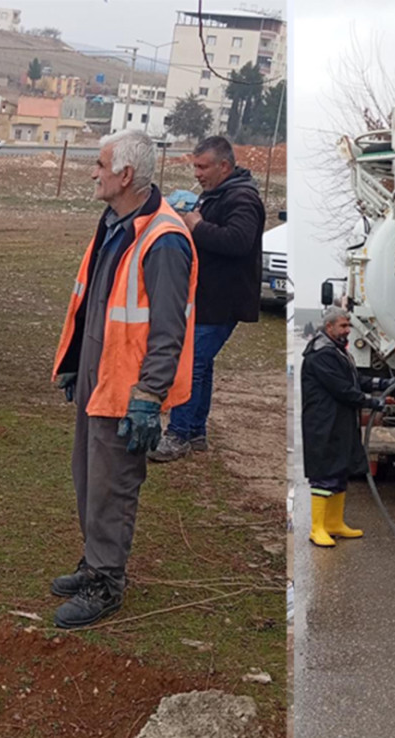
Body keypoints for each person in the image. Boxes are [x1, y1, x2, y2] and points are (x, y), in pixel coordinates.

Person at [49, 129, 198, 628]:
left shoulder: (165, 240)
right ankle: (94, 560)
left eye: (100, 164)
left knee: (113, 488)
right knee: (88, 479)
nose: (93, 171)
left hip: (126, 389)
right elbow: (96, 300)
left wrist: (150, 395)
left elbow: (167, 330)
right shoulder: (115, 222)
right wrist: (75, 360)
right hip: (98, 375)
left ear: (126, 175)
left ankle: (106, 583)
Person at [148, 136, 265, 462]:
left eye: (202, 166)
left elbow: (239, 241)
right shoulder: (218, 193)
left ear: (224, 166)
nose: (196, 173)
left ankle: (178, 435)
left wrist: (197, 226)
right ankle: (196, 431)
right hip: (208, 297)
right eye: (195, 166)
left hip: (222, 300)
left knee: (191, 365)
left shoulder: (242, 199)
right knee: (202, 363)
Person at [300, 306, 387, 547]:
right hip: (323, 421)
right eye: (343, 326)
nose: (348, 330)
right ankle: (317, 527)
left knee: (339, 469)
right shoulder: (321, 354)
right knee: (324, 473)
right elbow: (342, 388)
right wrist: (371, 402)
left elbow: (355, 380)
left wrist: (383, 383)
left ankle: (335, 523)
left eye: (348, 325)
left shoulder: (337, 351)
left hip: (339, 420)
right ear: (329, 327)